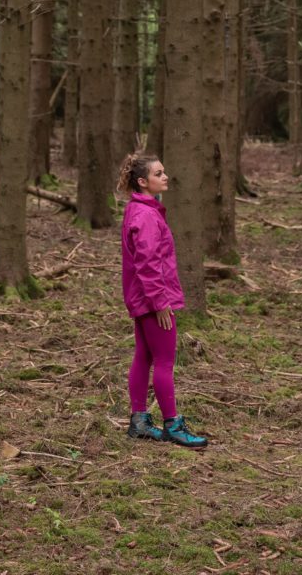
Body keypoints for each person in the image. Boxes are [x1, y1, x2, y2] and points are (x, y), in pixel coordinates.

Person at [117, 152, 208, 450]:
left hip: (141, 297)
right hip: (152, 299)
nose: (165, 176)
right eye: (159, 173)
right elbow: (146, 262)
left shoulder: (140, 209)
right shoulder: (144, 215)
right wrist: (160, 302)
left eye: (164, 171)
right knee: (165, 361)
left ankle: (140, 421)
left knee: (144, 355)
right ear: (143, 182)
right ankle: (173, 425)